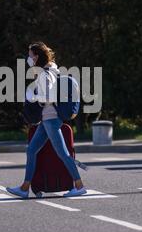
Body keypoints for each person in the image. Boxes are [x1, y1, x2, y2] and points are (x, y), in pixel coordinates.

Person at [6, 42, 87, 198]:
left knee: (62, 153)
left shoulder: (45, 73)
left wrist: (33, 97)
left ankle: (79, 185)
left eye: (30, 55)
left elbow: (49, 96)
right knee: (31, 150)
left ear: (36, 56)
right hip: (46, 119)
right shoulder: (49, 71)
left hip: (51, 118)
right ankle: (24, 188)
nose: (28, 58)